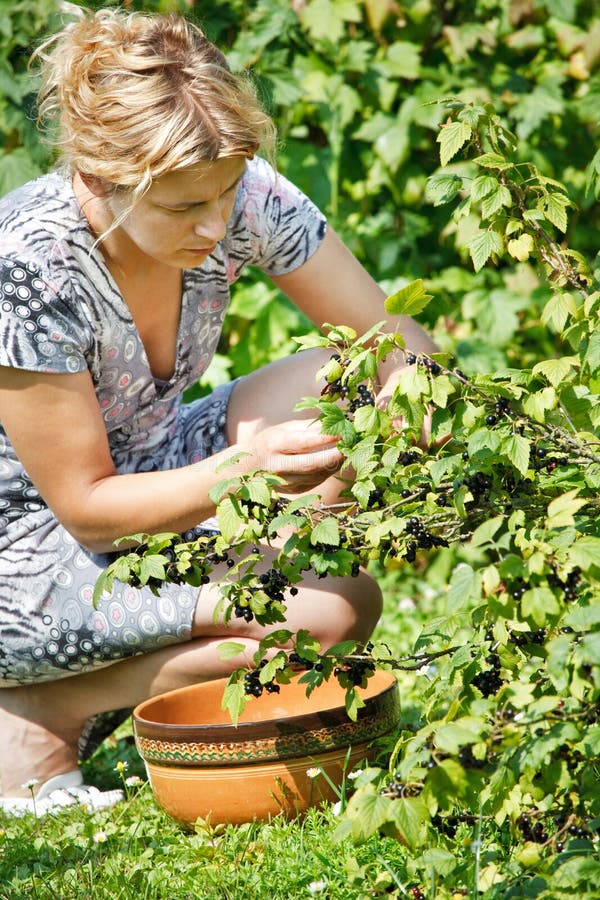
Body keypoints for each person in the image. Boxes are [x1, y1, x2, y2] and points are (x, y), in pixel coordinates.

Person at [0, 7, 437, 811]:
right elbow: (88, 511)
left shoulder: (230, 190)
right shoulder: (30, 267)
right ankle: (44, 708)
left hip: (154, 477)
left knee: (346, 381)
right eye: (179, 209)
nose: (214, 226)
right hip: (28, 551)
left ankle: (222, 622)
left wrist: (413, 393)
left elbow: (387, 337)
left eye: (225, 194)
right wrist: (249, 469)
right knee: (334, 611)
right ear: (96, 180)